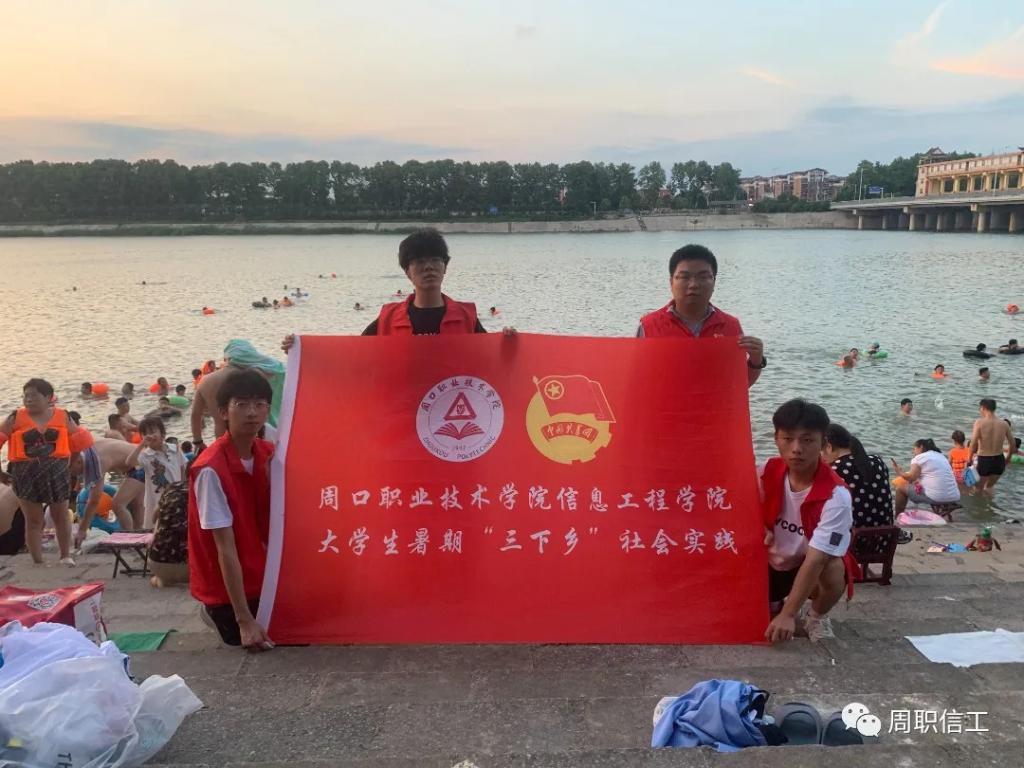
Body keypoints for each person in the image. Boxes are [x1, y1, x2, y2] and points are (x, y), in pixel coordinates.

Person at [188, 369, 275, 650]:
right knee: (272, 643)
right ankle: (216, 612)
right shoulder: (210, 469)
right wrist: (244, 620)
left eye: (259, 404)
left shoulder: (269, 454)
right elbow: (224, 547)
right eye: (242, 404)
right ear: (223, 412)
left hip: (264, 577)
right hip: (228, 592)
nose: (252, 412)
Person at [761, 400, 853, 644]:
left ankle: (815, 617)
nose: (796, 449)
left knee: (834, 568)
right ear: (776, 439)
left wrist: (789, 614)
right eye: (787, 439)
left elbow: (816, 559)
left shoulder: (836, 496)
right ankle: (771, 602)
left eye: (807, 440)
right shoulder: (765, 471)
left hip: (805, 564)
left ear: (823, 443)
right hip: (768, 560)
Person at [637, 244, 766, 387]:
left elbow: (738, 386)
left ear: (714, 282)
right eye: (685, 277)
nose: (693, 284)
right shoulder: (649, 326)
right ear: (671, 282)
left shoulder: (730, 326)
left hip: (714, 402)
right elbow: (636, 381)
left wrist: (756, 361)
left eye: (703, 277)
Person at [0, 378, 94, 565]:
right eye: (26, 395)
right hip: (25, 474)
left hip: (57, 472)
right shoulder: (14, 418)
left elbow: (79, 440)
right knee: (33, 520)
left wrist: (71, 463)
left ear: (48, 397)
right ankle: (38, 560)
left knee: (61, 516)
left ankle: (65, 556)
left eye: (34, 395)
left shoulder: (62, 416)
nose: (29, 399)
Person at [192, 339, 286, 450]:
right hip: (250, 440)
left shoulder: (205, 381)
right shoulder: (253, 377)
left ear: (226, 358)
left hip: (221, 439)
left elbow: (195, 415)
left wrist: (198, 442)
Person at [822, 423, 893, 528]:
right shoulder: (877, 461)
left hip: (851, 537)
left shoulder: (834, 470)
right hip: (885, 534)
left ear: (828, 447)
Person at [126, 416, 188, 529]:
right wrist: (141, 445)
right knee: (157, 527)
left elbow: (182, 468)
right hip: (156, 499)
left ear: (162, 433)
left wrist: (184, 489)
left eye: (152, 431)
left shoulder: (174, 449)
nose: (149, 435)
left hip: (177, 496)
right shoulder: (146, 456)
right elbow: (129, 462)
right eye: (145, 434)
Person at [891, 439, 960, 514]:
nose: (913, 452)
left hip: (937, 497)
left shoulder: (919, 457)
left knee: (900, 489)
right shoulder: (941, 456)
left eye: (914, 449)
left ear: (921, 447)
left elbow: (911, 478)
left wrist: (899, 471)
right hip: (954, 496)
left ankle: (897, 517)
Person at [969, 399, 1016, 498]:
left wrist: (969, 458)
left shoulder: (979, 422)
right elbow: (1012, 444)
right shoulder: (1004, 424)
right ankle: (990, 505)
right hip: (999, 460)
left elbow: (973, 443)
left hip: (984, 459)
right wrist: (1008, 458)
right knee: (989, 487)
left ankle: (979, 507)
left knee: (978, 489)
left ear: (983, 408)